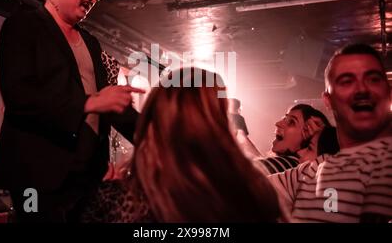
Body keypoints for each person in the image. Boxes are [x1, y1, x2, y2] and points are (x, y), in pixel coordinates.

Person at [0, 0, 144, 222]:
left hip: (88, 175)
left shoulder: (91, 42)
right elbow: (19, 96)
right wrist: (89, 103)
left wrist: (158, 135)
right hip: (38, 173)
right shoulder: (24, 25)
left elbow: (109, 104)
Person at [81, 68, 281, 222]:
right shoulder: (255, 190)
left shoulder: (121, 201)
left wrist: (104, 195)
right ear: (219, 120)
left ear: (155, 118)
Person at [270, 43, 392, 222]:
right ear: (328, 100)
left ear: (388, 92)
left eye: (373, 79)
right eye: (346, 81)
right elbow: (240, 191)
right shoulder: (310, 173)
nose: (362, 90)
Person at [257, 104, 339, 174]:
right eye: (284, 119)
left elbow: (248, 171)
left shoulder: (291, 165)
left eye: (291, 122)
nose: (278, 123)